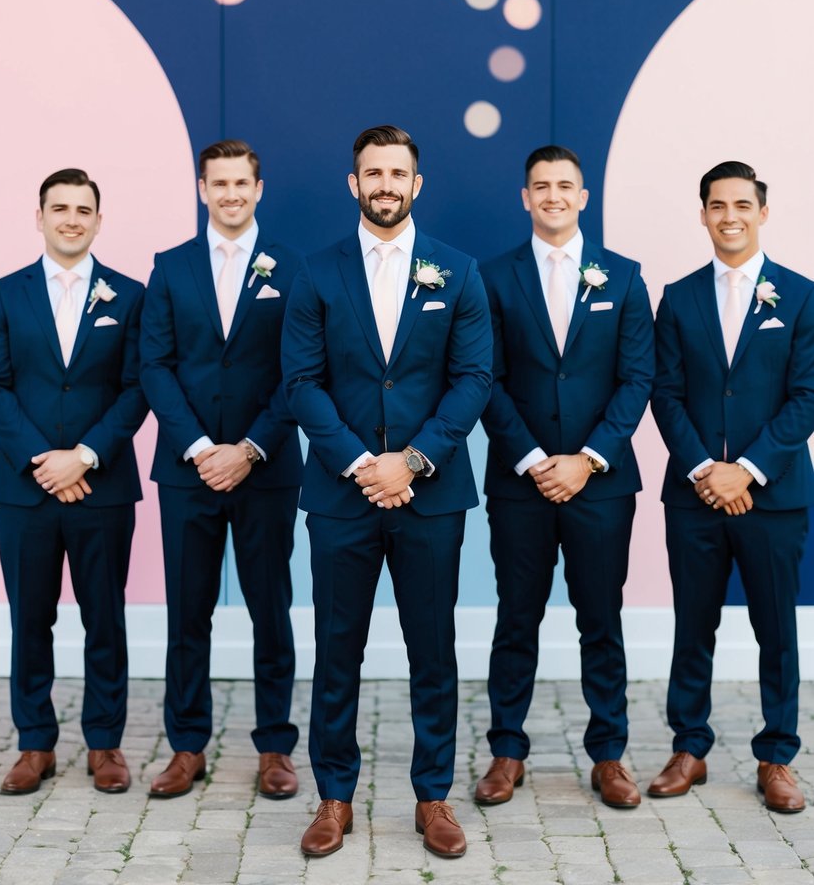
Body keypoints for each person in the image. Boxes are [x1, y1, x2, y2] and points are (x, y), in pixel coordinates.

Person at [281, 124, 492, 859]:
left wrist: (413, 461)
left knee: (431, 650)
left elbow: (473, 380)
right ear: (354, 183)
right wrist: (362, 464)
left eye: (397, 173)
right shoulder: (315, 272)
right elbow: (300, 384)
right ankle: (334, 798)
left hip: (429, 498)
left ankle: (432, 796)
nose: (385, 185)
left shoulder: (456, 272)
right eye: (372, 173)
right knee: (338, 649)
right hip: (342, 498)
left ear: (416, 184)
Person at [476, 145, 654, 809]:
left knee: (599, 620)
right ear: (524, 197)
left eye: (564, 186)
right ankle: (505, 752)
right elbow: (484, 378)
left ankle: (608, 754)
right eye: (540, 186)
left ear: (583, 197)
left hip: (601, 485)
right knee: (515, 619)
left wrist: (587, 459)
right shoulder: (491, 278)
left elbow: (638, 378)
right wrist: (531, 458)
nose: (552, 195)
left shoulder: (624, 277)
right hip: (518, 482)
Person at [648, 160, 814, 813]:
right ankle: (689, 745)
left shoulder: (798, 296)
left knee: (776, 630)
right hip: (693, 497)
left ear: (762, 212)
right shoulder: (678, 296)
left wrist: (743, 469)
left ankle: (776, 755)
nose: (729, 217)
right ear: (702, 214)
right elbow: (664, 393)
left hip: (771, 496)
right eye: (717, 206)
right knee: (693, 624)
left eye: (741, 205)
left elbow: (804, 397)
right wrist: (703, 470)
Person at [140, 139, 302, 800]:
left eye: (241, 182)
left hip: (264, 469)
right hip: (188, 472)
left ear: (258, 188)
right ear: (201, 188)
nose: (230, 193)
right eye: (218, 183)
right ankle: (186, 746)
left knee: (272, 608)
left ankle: (274, 748)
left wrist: (248, 449)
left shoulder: (293, 269)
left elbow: (299, 371)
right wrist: (201, 448)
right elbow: (154, 365)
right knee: (188, 611)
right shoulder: (170, 267)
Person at [0, 168, 147, 795]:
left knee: (104, 617)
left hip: (101, 488)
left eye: (84, 210)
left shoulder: (128, 296)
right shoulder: (5, 294)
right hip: (24, 491)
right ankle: (34, 744)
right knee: (31, 618)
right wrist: (42, 462)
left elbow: (138, 389)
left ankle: (104, 743)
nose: (72, 219)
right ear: (40, 216)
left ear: (99, 221)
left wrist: (83, 456)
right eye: (61, 208)